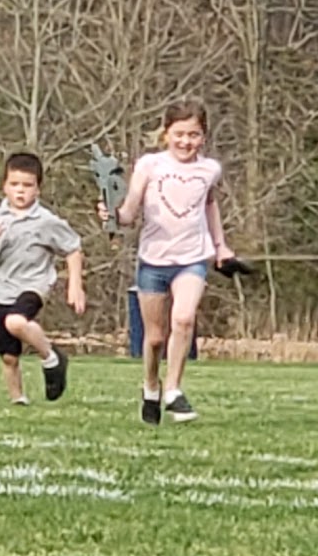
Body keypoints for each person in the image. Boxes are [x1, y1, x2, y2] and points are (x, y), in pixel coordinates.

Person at [101, 100, 235, 423]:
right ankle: (151, 386)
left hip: (192, 258)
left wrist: (221, 246)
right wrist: (113, 216)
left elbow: (210, 205)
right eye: (179, 134)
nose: (186, 142)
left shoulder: (209, 170)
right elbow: (131, 212)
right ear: (166, 134)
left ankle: (174, 389)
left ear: (203, 136)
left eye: (194, 134)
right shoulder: (149, 166)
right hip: (154, 260)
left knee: (185, 319)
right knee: (155, 337)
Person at [0, 152, 87, 404]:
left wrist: (75, 285)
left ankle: (51, 357)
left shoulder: (46, 221)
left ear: (38, 189)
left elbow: (73, 248)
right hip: (3, 289)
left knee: (16, 322)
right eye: (14, 184)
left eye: (27, 185)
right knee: (9, 356)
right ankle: (18, 399)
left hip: (34, 285)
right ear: (4, 186)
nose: (20, 191)